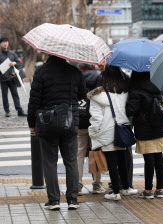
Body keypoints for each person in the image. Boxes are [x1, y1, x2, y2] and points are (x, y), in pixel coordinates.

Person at [27, 55, 87, 210]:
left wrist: (31, 123)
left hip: (48, 123)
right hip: (70, 121)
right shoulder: (75, 72)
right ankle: (72, 200)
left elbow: (34, 100)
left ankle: (53, 201)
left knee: (49, 162)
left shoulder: (41, 72)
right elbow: (82, 95)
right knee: (71, 161)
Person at [88, 65, 138, 201]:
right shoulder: (125, 93)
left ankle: (115, 192)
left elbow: (96, 118)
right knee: (122, 160)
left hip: (105, 132)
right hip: (121, 130)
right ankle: (127, 187)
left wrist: (93, 133)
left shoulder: (97, 96)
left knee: (112, 162)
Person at [126, 71, 163, 199]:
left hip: (144, 129)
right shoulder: (158, 87)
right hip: (159, 127)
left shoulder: (136, 91)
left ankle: (148, 190)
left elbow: (131, 110)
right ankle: (160, 189)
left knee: (148, 160)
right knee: (159, 157)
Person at [77, 63, 104, 195]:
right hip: (95, 120)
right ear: (93, 66)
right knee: (96, 151)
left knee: (79, 153)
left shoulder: (75, 77)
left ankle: (77, 184)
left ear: (79, 66)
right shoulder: (98, 78)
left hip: (79, 121)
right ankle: (97, 184)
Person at [0, 37, 27, 117]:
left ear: (8, 43)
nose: (5, 43)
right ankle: (7, 111)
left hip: (12, 78)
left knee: (15, 94)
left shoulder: (12, 54)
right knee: (4, 95)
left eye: (6, 42)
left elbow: (19, 64)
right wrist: (5, 65)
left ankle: (19, 110)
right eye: (3, 42)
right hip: (3, 79)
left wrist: (14, 63)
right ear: (0, 44)